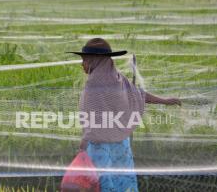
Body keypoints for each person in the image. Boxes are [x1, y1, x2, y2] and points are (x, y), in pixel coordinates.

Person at [67, 38, 181, 192]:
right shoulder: (118, 79)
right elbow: (139, 95)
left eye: (85, 60)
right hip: (121, 143)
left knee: (103, 183)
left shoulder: (94, 85)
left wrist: (83, 143)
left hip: (100, 147)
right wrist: (165, 101)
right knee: (123, 182)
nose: (82, 64)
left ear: (96, 60)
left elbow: (92, 119)